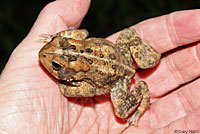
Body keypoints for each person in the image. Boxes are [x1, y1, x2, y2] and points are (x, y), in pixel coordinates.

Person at [0, 0, 200, 133]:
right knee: (128, 36)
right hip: (117, 54)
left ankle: (143, 92)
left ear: (67, 70)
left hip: (117, 79)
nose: (45, 54)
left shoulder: (74, 70)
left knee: (121, 113)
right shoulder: (72, 43)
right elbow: (83, 34)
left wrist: (66, 89)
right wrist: (57, 38)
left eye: (56, 65)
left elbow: (86, 87)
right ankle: (149, 59)